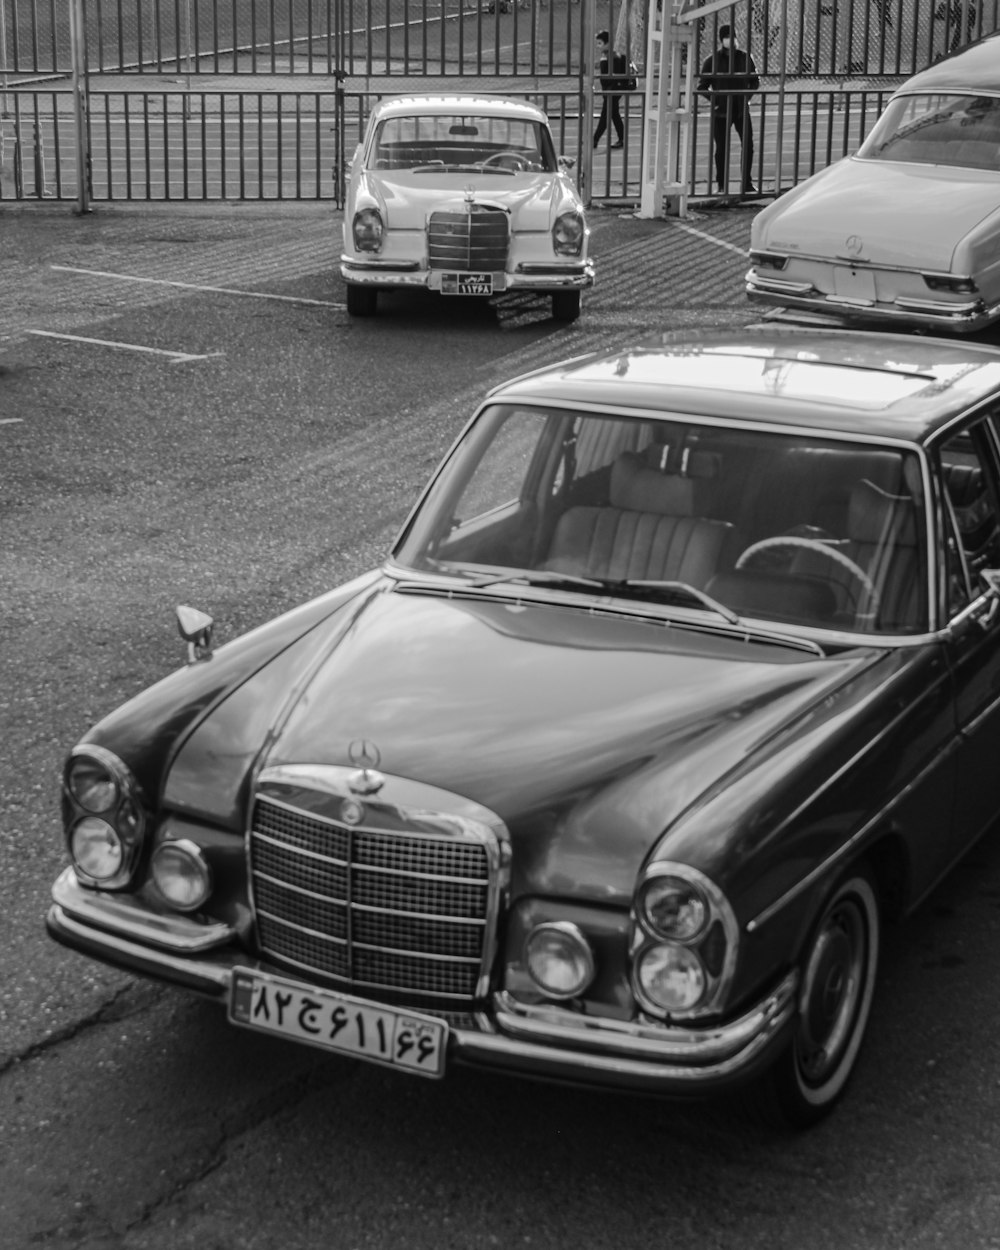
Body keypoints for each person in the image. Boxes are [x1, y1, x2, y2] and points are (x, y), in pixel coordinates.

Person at [697, 24, 759, 195]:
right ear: (721, 39)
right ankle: (721, 185)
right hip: (721, 111)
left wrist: (746, 96)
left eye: (733, 36)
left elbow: (755, 81)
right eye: (727, 37)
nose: (730, 40)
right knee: (721, 149)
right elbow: (702, 86)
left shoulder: (744, 57)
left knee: (748, 145)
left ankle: (746, 183)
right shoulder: (712, 60)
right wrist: (715, 100)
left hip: (741, 109)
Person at [594, 30, 627, 150]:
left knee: (605, 115)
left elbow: (610, 76)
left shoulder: (611, 56)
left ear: (607, 43)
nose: (598, 46)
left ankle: (594, 140)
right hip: (611, 91)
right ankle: (622, 139)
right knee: (614, 114)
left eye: (600, 43)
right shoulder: (609, 55)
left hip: (612, 91)